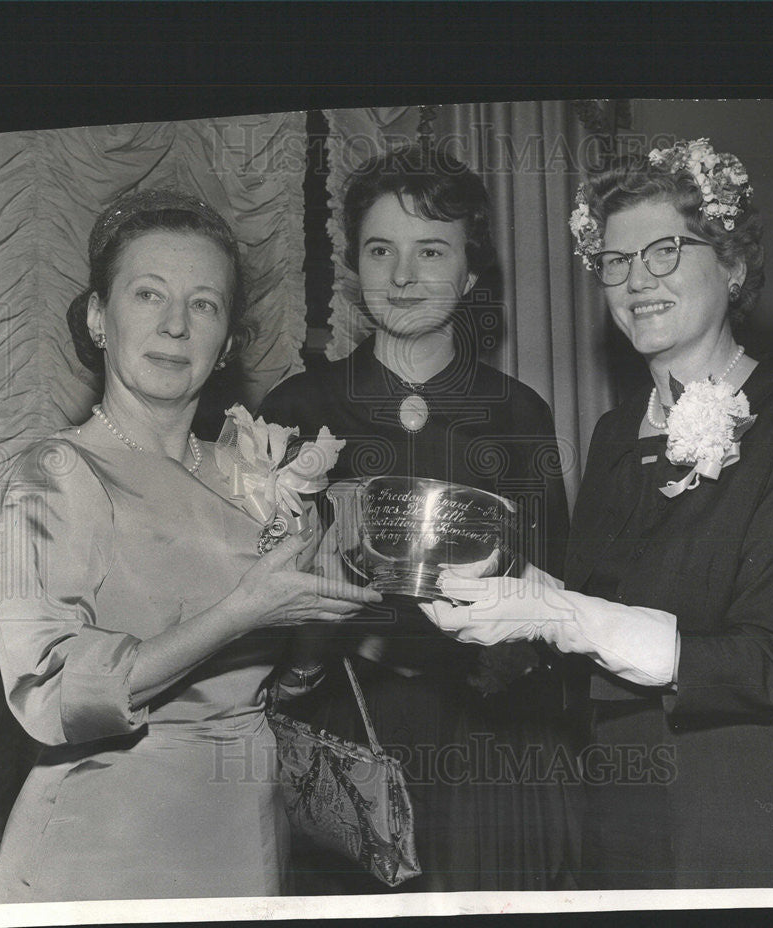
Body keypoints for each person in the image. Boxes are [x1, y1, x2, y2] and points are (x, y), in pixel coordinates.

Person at [422, 138, 773, 889]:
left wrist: (556, 615)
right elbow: (594, 604)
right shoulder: (614, 431)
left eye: (664, 251)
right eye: (616, 263)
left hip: (740, 792)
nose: (635, 281)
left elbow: (767, 666)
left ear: (731, 264)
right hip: (615, 790)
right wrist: (501, 586)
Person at [0, 188, 380, 902]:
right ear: (99, 318)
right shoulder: (51, 478)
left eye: (203, 304)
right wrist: (241, 613)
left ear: (226, 343)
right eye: (147, 295)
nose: (174, 325)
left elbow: (281, 686)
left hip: (242, 827)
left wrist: (319, 623)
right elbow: (49, 693)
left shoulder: (253, 474)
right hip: (103, 841)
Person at [259, 144, 578, 892]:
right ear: (355, 267)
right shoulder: (297, 410)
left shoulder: (519, 413)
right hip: (341, 733)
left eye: (430, 251)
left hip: (486, 746)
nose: (402, 276)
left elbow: (557, 591)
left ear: (470, 275)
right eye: (381, 250)